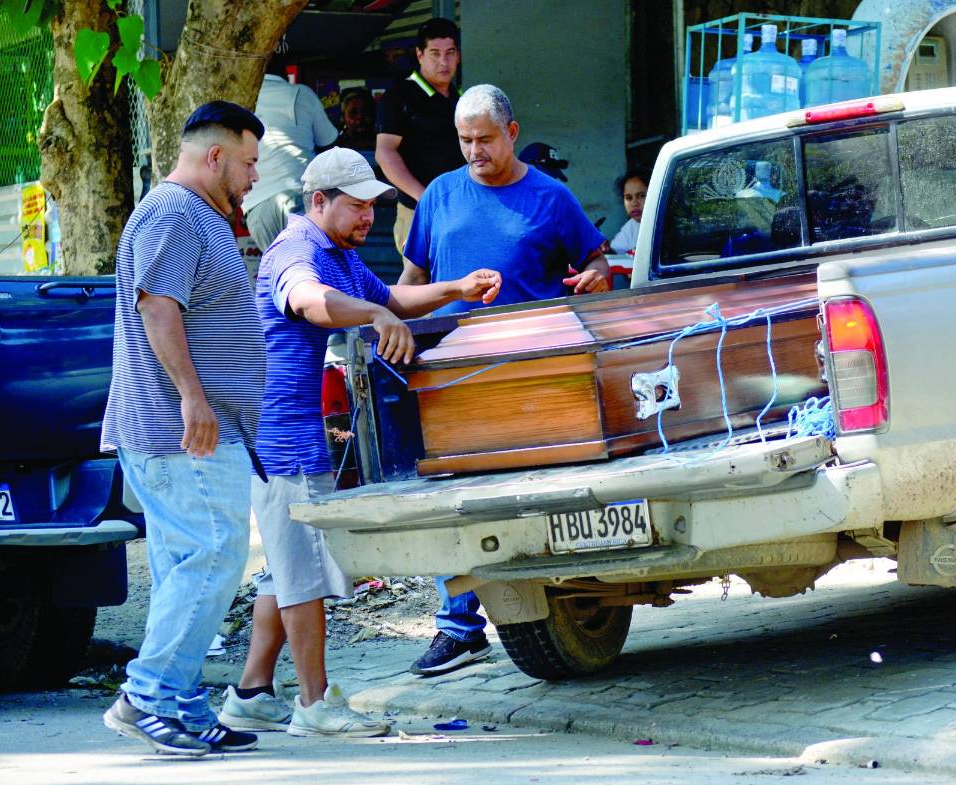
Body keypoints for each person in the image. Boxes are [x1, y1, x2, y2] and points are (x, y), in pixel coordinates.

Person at [217, 147, 502, 735]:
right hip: (279, 438)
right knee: (302, 575)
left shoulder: (341, 253)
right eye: (357, 206)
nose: (369, 217)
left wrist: (458, 288)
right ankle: (315, 705)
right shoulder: (296, 251)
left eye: (373, 206)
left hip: (299, 435)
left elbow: (394, 299)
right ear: (319, 201)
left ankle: (251, 693)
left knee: (283, 571)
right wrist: (373, 316)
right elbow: (309, 303)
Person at [403, 84, 611, 673]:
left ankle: (556, 604)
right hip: (450, 374)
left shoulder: (551, 197)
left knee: (531, 495)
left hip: (531, 375)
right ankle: (458, 626)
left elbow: (594, 260)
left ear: (512, 133)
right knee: (452, 498)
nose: (475, 151)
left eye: (485, 139)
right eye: (464, 140)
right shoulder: (439, 195)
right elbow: (411, 282)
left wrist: (596, 275)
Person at [100, 101, 267, 757]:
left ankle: (182, 704)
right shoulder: (174, 211)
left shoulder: (200, 214)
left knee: (184, 568)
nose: (254, 176)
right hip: (184, 431)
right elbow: (158, 307)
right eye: (249, 162)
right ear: (215, 156)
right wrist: (193, 398)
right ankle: (146, 696)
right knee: (215, 553)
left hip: (189, 429)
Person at [375, 17, 462, 269]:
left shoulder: (460, 98)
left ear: (458, 56)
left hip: (460, 211)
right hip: (418, 212)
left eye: (450, 53)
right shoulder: (400, 95)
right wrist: (425, 198)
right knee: (420, 284)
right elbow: (385, 153)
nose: (443, 61)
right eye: (435, 53)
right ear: (420, 54)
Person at [242, 62, 339, 259]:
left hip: (257, 208)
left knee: (283, 271)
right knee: (313, 268)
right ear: (285, 73)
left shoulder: (241, 100)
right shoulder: (302, 93)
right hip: (298, 194)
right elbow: (330, 144)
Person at [610, 167, 650, 254]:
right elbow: (615, 252)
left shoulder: (668, 225)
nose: (634, 203)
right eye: (628, 198)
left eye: (641, 196)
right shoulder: (631, 227)